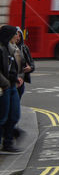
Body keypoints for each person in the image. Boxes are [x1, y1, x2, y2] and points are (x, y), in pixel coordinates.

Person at [0, 25, 23, 153]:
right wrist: (6, 83)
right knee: (2, 117)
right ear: (9, 36)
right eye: (15, 34)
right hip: (4, 87)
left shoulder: (13, 49)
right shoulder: (1, 49)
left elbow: (15, 69)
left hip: (12, 86)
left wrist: (17, 78)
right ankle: (4, 143)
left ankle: (8, 143)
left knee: (14, 116)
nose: (17, 36)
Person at [12, 28, 33, 100]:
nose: (18, 37)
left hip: (21, 80)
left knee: (17, 102)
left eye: (20, 36)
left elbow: (31, 63)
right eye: (16, 35)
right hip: (12, 80)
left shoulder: (24, 48)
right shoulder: (7, 48)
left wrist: (30, 68)